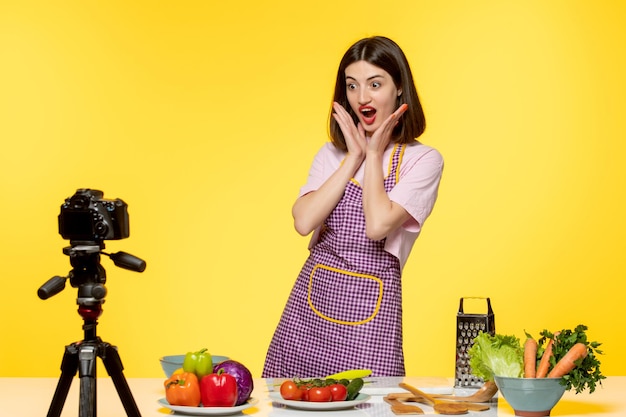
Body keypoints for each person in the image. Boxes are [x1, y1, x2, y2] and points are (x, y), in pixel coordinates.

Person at [262, 36, 444, 378]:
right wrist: (353, 157)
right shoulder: (331, 155)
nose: (362, 98)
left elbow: (377, 226)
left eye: (375, 84)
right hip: (308, 315)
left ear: (400, 88)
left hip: (373, 320)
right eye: (352, 86)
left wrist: (374, 154)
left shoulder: (422, 160)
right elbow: (303, 221)